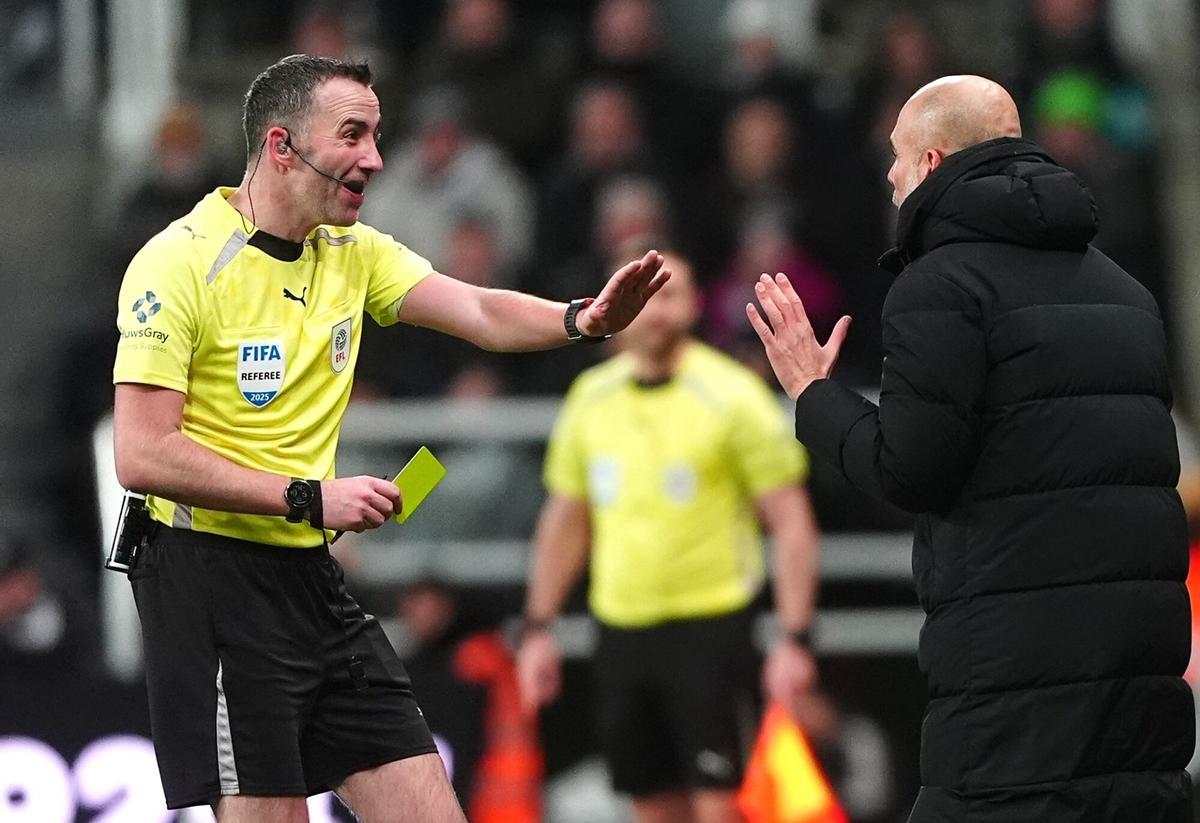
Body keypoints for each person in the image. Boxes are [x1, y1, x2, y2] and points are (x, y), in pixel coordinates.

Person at [110, 54, 668, 823]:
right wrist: (309, 496)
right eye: (353, 134)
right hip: (210, 585)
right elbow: (141, 454)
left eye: (377, 134)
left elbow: (477, 309)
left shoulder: (353, 251)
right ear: (282, 146)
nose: (375, 157)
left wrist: (581, 319)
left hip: (309, 575)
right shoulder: (177, 263)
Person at [747, 74, 1193, 821]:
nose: (887, 176)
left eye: (895, 156)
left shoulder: (939, 287)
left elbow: (910, 468)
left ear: (930, 163)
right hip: (1140, 696)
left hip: (1012, 695)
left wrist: (813, 396)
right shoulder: (1129, 296)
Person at [517, 251, 821, 823]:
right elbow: (566, 521)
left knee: (721, 806)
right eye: (646, 296)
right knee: (648, 804)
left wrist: (795, 636)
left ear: (696, 304)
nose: (657, 312)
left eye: (671, 294)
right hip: (622, 633)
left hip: (711, 632)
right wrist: (538, 626)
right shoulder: (591, 399)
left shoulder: (733, 395)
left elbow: (791, 522)